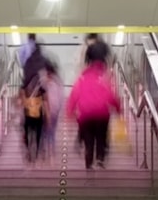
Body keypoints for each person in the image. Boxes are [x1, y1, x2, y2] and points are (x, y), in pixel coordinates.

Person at [66, 42, 122, 170]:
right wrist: (118, 109)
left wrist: (69, 114)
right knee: (101, 137)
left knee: (89, 141)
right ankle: (100, 158)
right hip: (102, 114)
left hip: (85, 115)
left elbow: (74, 96)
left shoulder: (82, 78)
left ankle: (89, 162)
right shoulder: (104, 77)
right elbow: (110, 95)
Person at [20, 42, 49, 163]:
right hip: (38, 102)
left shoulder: (27, 63)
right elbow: (44, 86)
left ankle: (27, 146)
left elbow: (23, 85)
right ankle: (36, 151)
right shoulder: (42, 63)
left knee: (26, 126)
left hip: (28, 102)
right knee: (39, 127)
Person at [40, 61, 64, 164]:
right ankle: (50, 154)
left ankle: (45, 153)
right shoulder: (57, 83)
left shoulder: (43, 82)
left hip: (46, 110)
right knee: (50, 132)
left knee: (45, 133)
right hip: (53, 111)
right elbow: (60, 98)